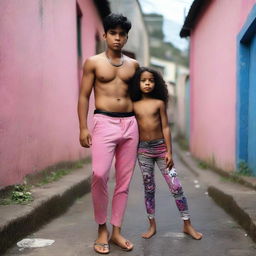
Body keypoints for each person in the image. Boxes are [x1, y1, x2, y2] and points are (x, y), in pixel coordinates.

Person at [78, 13, 139, 254]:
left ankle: (116, 231)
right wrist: (83, 127)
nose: (117, 38)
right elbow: (84, 95)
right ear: (105, 35)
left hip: (130, 124)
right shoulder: (93, 62)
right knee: (99, 173)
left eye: (121, 34)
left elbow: (140, 98)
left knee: (123, 182)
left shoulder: (133, 65)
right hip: (104, 121)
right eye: (112, 33)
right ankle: (101, 227)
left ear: (126, 38)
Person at [129, 67, 203, 240]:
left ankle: (187, 224)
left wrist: (169, 151)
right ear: (137, 83)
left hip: (161, 148)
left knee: (176, 186)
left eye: (151, 80)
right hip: (143, 151)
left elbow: (165, 127)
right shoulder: (133, 105)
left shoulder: (159, 103)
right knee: (149, 188)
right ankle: (152, 225)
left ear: (156, 84)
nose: (147, 83)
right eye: (143, 80)